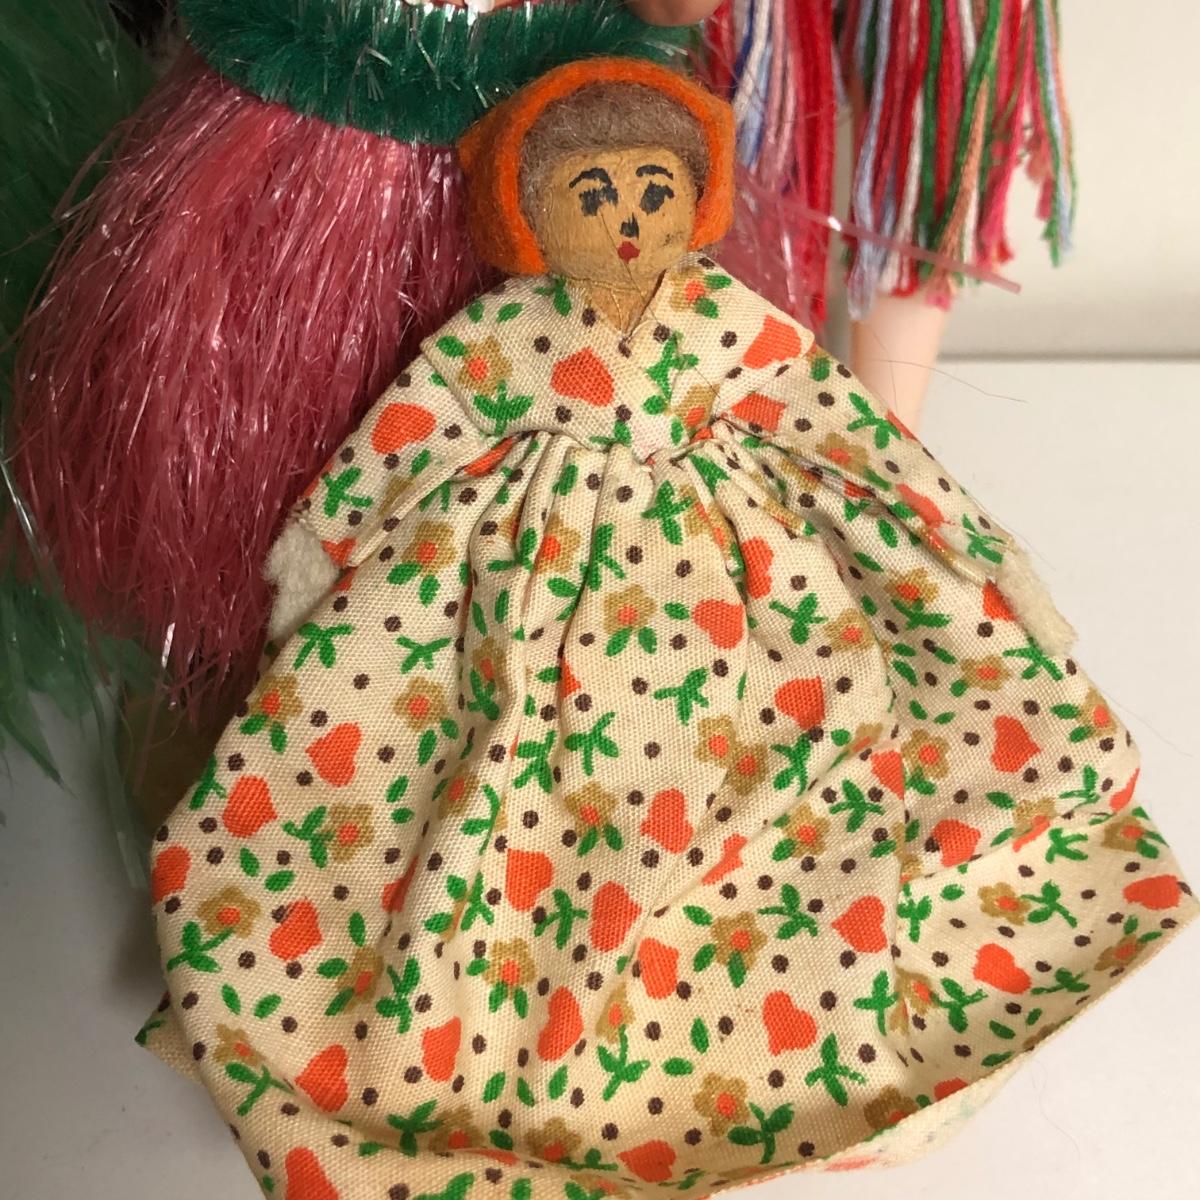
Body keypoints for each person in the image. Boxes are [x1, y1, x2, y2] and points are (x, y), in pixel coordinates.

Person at [141, 56, 1193, 1200]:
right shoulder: (502, 336)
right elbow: (408, 440)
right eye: (592, 193)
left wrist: (963, 543)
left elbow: (846, 431)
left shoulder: (726, 318)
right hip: (520, 585)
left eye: (652, 188)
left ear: (698, 197)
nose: (628, 218)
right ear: (525, 211)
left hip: (746, 582)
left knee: (819, 745)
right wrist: (323, 554)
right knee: (462, 770)